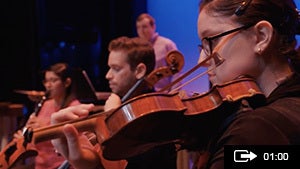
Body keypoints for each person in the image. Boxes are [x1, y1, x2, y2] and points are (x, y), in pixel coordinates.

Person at [183, 0, 300, 169]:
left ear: (261, 36)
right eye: (202, 46)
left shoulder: (255, 130)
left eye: (212, 41)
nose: (202, 60)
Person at [50, 36, 178, 169]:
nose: (108, 75)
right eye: (109, 68)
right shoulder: (123, 105)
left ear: (140, 71)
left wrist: (114, 122)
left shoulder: (154, 114)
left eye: (116, 68)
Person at [13, 62, 81, 169]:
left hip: (61, 165)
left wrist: (44, 129)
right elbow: (35, 139)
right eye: (46, 81)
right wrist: (25, 138)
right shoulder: (46, 104)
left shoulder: (75, 108)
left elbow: (72, 143)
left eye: (53, 80)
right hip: (40, 164)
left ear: (67, 82)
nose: (48, 85)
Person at [136, 13, 182, 93]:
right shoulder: (137, 48)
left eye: (144, 27)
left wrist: (172, 92)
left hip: (163, 93)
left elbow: (177, 71)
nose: (141, 31)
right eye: (138, 28)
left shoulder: (167, 44)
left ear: (153, 27)